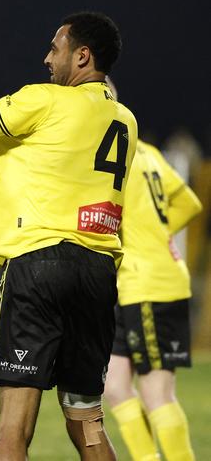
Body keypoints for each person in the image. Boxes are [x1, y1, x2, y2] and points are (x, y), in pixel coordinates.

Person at [0, 12, 138, 460]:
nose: (47, 58)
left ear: (82, 55)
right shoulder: (126, 120)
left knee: (12, 430)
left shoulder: (46, 101)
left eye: (56, 48)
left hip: (39, 265)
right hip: (96, 272)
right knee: (87, 423)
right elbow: (41, 162)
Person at [103, 81, 202, 461]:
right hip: (134, 283)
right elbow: (188, 203)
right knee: (114, 385)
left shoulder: (114, 155)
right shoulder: (146, 150)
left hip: (149, 285)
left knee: (157, 394)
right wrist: (163, 235)